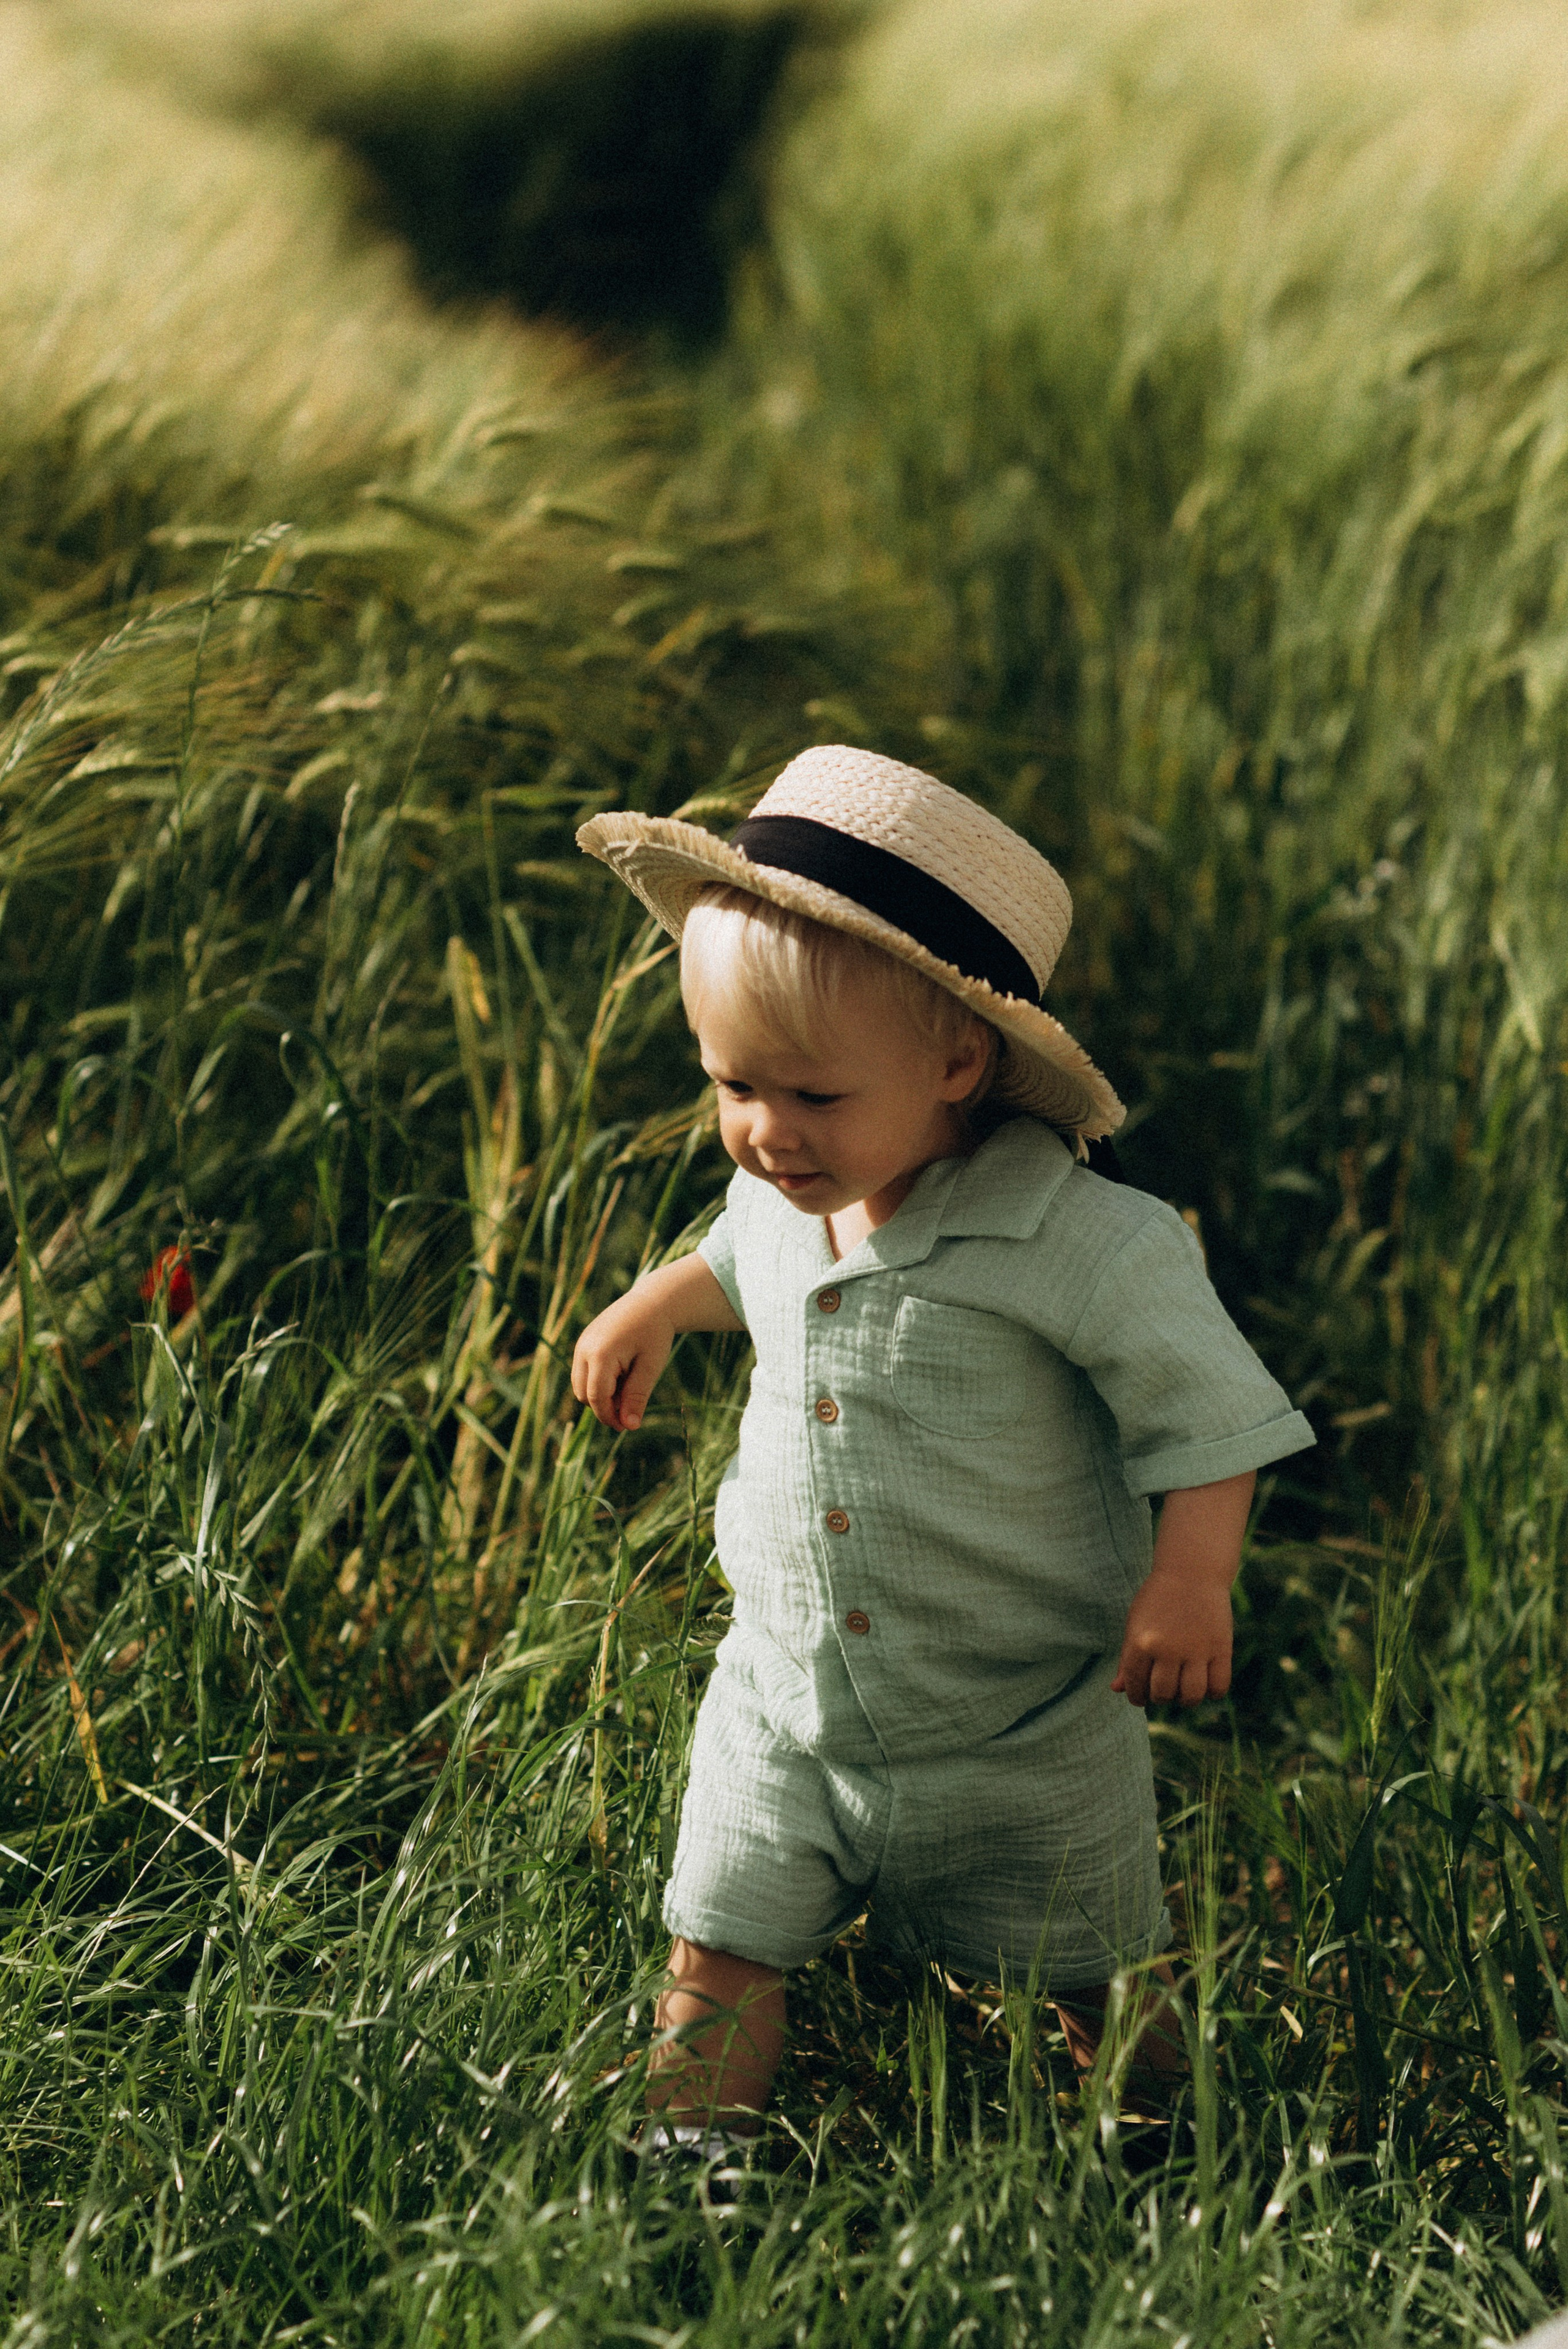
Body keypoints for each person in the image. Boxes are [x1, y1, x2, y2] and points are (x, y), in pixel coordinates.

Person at [571, 744, 1314, 2146]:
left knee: (1088, 1962)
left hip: (1018, 1713)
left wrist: (1189, 1580)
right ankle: (695, 2159)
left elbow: (1206, 1413)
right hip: (784, 1698)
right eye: (730, 1086)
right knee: (717, 1948)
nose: (762, 1134)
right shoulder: (794, 1192)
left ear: (958, 1060)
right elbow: (739, 1254)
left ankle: (1160, 2134)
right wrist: (654, 1304)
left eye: (810, 1098)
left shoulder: (1085, 1242)